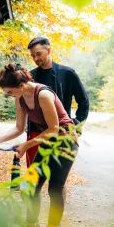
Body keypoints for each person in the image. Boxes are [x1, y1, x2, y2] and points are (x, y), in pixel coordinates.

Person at [0, 63, 79, 227]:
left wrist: (26, 146)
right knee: (31, 187)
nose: (8, 95)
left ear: (21, 85)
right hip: (48, 142)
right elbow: (19, 128)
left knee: (54, 188)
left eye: (9, 92)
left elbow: (54, 129)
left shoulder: (43, 94)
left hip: (65, 142)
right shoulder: (20, 99)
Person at [26, 37, 89, 167]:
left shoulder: (67, 73)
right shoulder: (30, 77)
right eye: (33, 56)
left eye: (38, 54)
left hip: (61, 133)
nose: (36, 58)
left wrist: (77, 124)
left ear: (48, 50)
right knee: (34, 178)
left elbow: (83, 101)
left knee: (57, 181)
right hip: (36, 134)